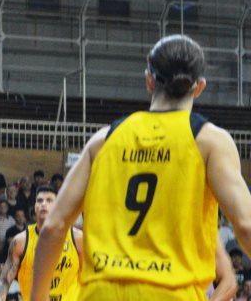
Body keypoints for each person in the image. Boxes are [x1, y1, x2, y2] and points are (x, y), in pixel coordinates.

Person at [30, 35, 251, 301]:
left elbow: (54, 226)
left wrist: (37, 298)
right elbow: (246, 226)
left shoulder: (104, 139)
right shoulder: (209, 141)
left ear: (148, 80)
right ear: (199, 87)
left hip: (101, 293)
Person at [0, 185, 82, 301]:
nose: (43, 204)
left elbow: (91, 278)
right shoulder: (20, 241)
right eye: (39, 200)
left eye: (49, 200)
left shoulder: (77, 238)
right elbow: (4, 281)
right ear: (35, 207)